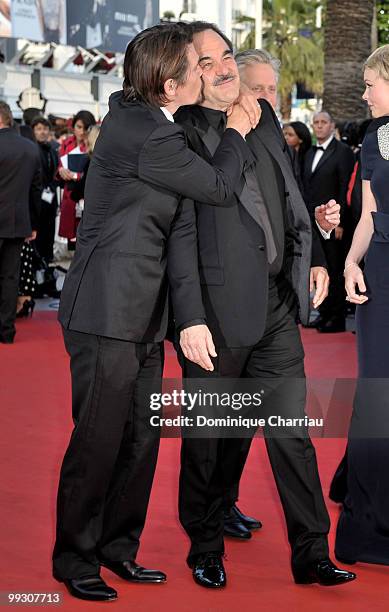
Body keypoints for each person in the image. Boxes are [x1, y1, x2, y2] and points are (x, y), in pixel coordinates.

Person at [54, 22, 259, 602]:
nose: (206, 73)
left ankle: (119, 549)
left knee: (140, 442)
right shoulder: (148, 134)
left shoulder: (144, 119)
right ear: (169, 84)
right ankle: (74, 559)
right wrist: (239, 133)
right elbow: (218, 186)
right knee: (98, 441)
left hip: (142, 314)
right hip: (106, 312)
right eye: (195, 65)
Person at [171, 22, 356, 590]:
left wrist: (316, 255)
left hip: (276, 304)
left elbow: (286, 195)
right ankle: (204, 545)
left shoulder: (269, 117)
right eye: (209, 62)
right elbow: (182, 229)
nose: (225, 68)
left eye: (227, 55)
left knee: (291, 432)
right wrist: (190, 317)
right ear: (188, 74)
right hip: (218, 312)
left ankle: (310, 553)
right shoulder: (182, 132)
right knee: (210, 437)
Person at [332, 44, 389, 566]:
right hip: (385, 278)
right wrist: (352, 261)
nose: (365, 93)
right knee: (377, 392)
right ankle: (369, 527)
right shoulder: (376, 138)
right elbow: (370, 214)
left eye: (372, 83)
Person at [303, 111, 355, 333]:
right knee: (319, 266)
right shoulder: (308, 152)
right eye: (316, 123)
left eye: (324, 122)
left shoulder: (342, 152)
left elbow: (345, 187)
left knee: (334, 267)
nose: (319, 126)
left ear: (332, 126)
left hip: (334, 221)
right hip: (312, 222)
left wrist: (340, 221)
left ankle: (337, 317)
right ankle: (323, 313)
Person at [0, 101, 41, 343]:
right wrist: (33, 224)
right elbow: (36, 190)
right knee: (10, 278)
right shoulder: (30, 148)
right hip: (17, 222)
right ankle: (6, 331)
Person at [57, 110, 96, 247]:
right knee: (71, 237)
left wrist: (78, 176)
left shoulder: (93, 144)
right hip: (70, 194)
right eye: (78, 127)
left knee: (84, 236)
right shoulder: (66, 143)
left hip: (85, 194)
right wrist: (61, 171)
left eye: (85, 128)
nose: (81, 131)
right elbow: (59, 165)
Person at [31, 116, 59, 263]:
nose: (42, 132)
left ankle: (46, 265)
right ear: (34, 131)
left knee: (49, 234)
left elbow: (53, 174)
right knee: (38, 237)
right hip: (36, 200)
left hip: (50, 198)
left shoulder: (53, 150)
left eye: (45, 129)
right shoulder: (31, 149)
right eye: (39, 129)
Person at [283, 121, 312, 193]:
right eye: (285, 134)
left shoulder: (309, 157)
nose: (286, 137)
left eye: (290, 135)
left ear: (300, 139)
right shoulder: (285, 156)